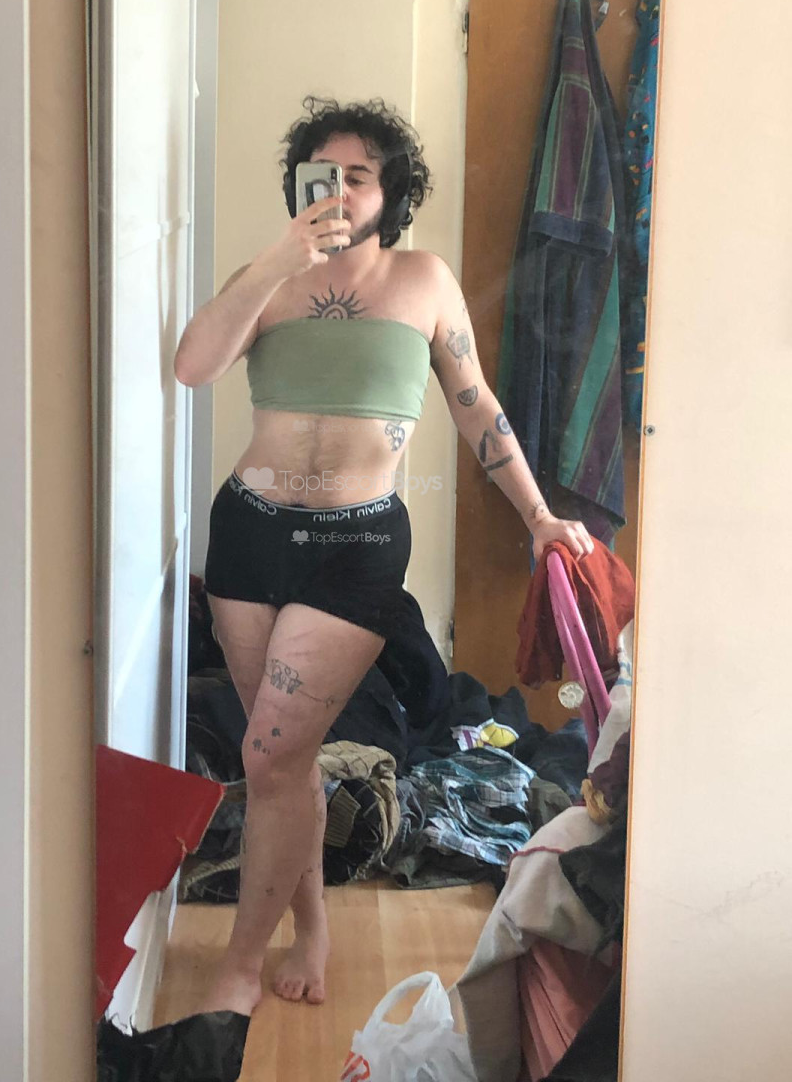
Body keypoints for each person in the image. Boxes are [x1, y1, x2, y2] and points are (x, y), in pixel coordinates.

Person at [174, 96, 593, 1016]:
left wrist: (539, 518)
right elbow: (193, 365)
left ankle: (240, 963)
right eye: (320, 174)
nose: (337, 191)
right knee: (280, 763)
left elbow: (476, 406)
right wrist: (279, 260)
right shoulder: (268, 276)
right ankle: (311, 928)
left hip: (356, 544)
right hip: (249, 531)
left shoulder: (423, 280)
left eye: (358, 176)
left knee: (270, 753)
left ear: (391, 192)